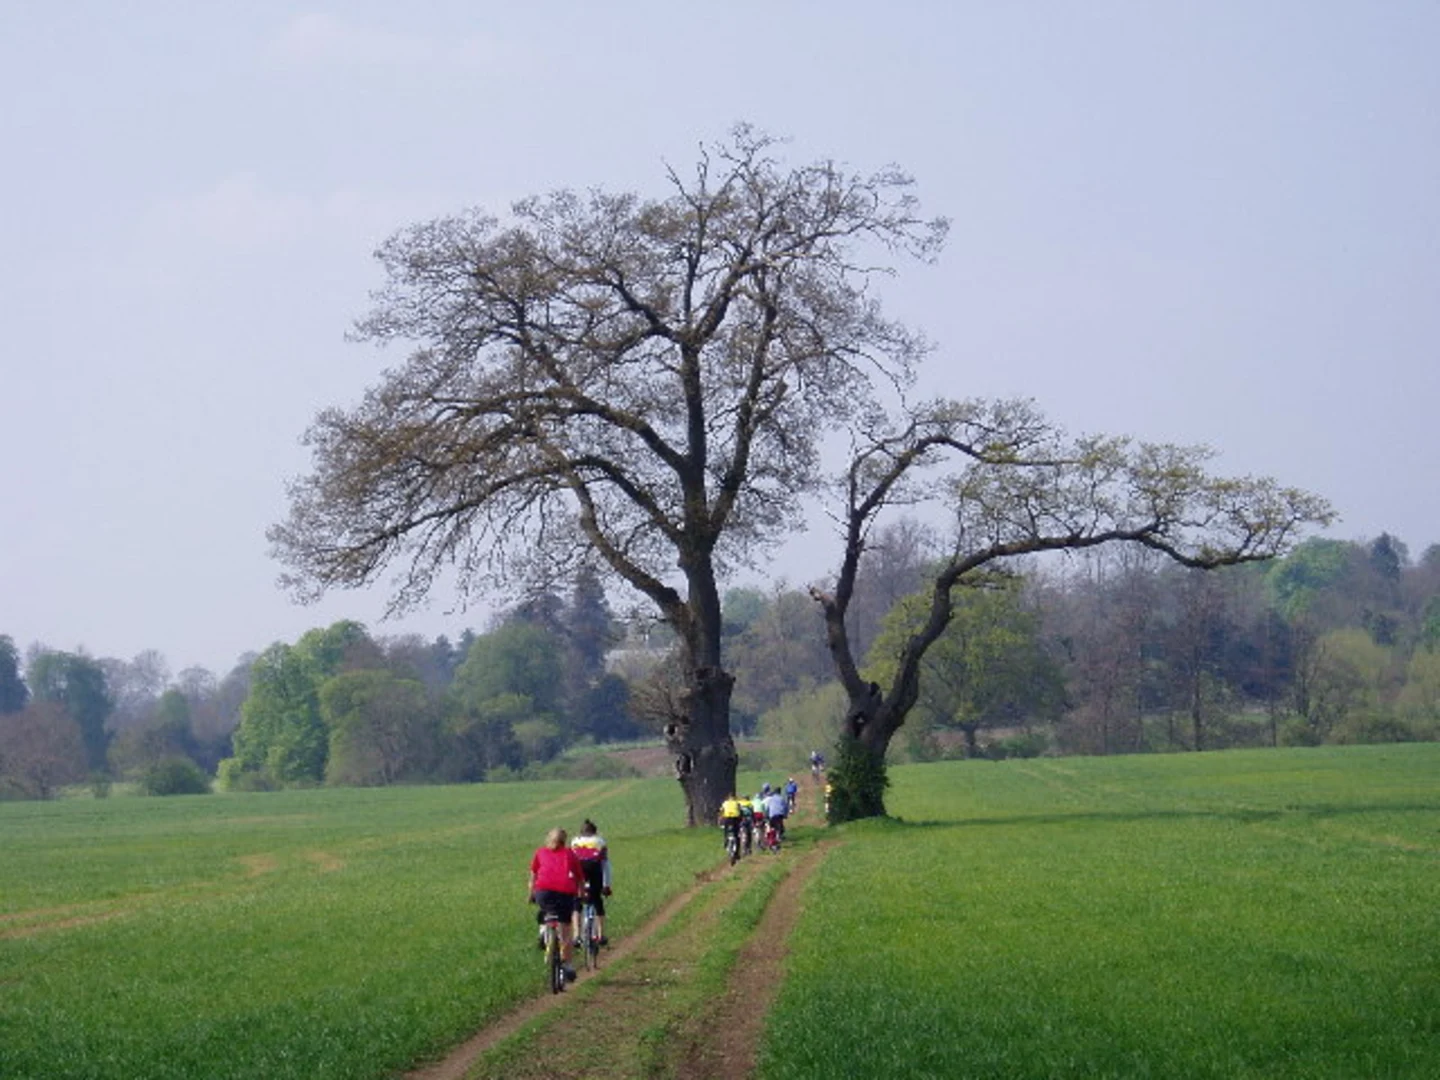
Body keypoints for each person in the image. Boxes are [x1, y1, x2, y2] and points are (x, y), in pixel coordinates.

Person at [529, 826, 583, 982]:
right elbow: (579, 877)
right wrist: (581, 894)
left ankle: (544, 931)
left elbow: (533, 876)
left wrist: (531, 894)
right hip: (565, 892)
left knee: (545, 911)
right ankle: (568, 965)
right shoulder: (570, 854)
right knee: (565, 929)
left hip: (543, 891)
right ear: (564, 841)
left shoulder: (540, 852)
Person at [570, 818, 612, 945]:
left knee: (576, 902)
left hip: (578, 871)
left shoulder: (574, 841)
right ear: (595, 832)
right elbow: (605, 865)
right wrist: (606, 885)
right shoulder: (600, 841)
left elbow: (571, 864)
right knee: (597, 900)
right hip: (594, 870)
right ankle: (601, 935)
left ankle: (576, 935)